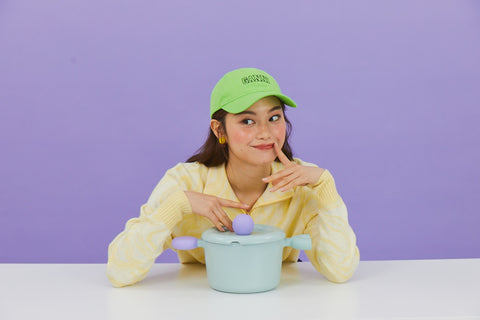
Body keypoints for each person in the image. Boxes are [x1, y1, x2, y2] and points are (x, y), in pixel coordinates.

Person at [107, 67, 360, 287]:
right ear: (219, 129)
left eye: (274, 118)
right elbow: (119, 271)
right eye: (247, 121)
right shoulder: (184, 182)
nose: (265, 133)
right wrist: (177, 206)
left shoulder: (304, 185)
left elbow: (340, 271)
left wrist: (327, 186)